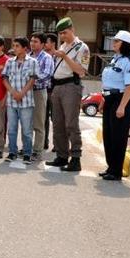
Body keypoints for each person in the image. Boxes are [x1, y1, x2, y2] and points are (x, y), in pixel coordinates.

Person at [46, 17, 90, 172]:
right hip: (57, 87)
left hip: (71, 86)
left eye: (65, 32)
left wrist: (64, 56)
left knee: (71, 123)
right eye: (60, 34)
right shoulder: (63, 46)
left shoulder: (81, 48)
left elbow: (81, 71)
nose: (62, 36)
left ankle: (76, 158)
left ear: (72, 30)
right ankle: (61, 155)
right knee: (57, 123)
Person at [100, 31, 130, 180]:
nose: (113, 43)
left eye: (117, 41)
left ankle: (116, 171)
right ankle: (111, 167)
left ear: (125, 44)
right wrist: (104, 100)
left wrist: (122, 107)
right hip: (110, 100)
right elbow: (109, 83)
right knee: (108, 135)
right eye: (114, 41)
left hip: (122, 100)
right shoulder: (115, 59)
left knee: (118, 137)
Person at [2, 37, 37, 164]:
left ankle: (27, 153)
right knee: (11, 129)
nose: (14, 48)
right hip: (11, 101)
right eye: (14, 45)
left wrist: (21, 93)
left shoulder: (32, 62)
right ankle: (12, 152)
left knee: (27, 130)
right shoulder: (9, 62)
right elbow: (4, 79)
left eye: (17, 46)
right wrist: (12, 92)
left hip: (26, 101)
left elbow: (32, 80)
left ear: (25, 48)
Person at [29, 32, 54, 161]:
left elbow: (47, 75)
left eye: (36, 41)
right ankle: (27, 148)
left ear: (43, 44)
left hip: (39, 92)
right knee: (26, 121)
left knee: (39, 122)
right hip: (26, 92)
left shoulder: (46, 58)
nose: (32, 43)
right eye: (31, 41)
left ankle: (37, 150)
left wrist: (30, 81)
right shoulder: (27, 56)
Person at [42, 33, 58, 150]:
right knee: (43, 118)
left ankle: (57, 144)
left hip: (55, 91)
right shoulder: (42, 56)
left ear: (53, 43)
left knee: (56, 118)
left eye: (46, 42)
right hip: (43, 90)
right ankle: (44, 141)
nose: (45, 44)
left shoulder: (58, 56)